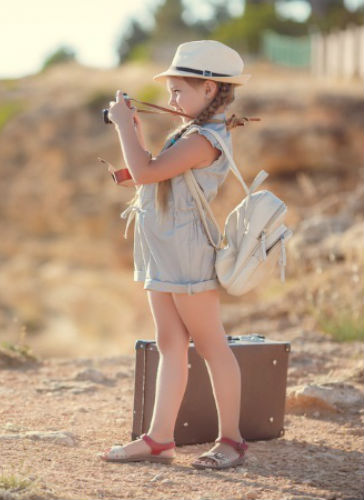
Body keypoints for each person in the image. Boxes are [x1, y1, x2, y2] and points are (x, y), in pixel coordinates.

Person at [97, 40, 252, 470]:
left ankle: (232, 440)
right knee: (169, 344)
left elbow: (146, 172)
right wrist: (136, 136)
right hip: (161, 249)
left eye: (178, 90)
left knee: (212, 346)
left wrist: (124, 127)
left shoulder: (207, 139)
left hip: (186, 253)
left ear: (209, 90)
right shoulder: (186, 133)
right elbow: (149, 177)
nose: (171, 99)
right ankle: (160, 438)